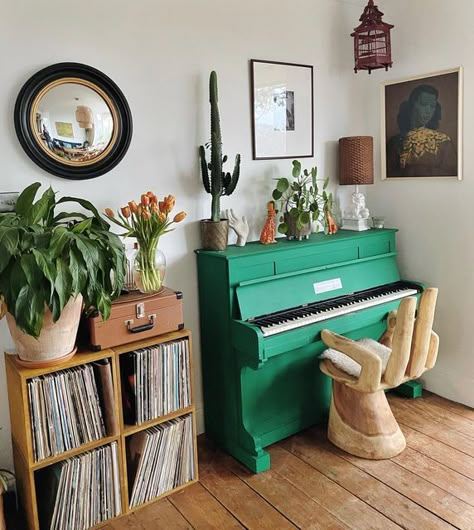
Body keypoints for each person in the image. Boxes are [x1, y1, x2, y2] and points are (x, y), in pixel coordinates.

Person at [386, 84, 457, 177]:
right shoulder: (394, 142)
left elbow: (451, 173)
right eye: (423, 104)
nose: (428, 111)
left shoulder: (444, 141)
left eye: (432, 106)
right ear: (412, 105)